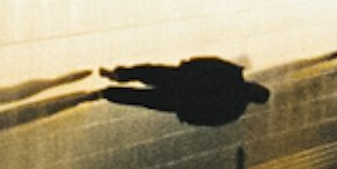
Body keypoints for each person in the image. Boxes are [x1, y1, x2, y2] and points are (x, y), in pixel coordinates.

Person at [94, 56, 270, 128]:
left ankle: (118, 75)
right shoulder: (234, 110)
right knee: (141, 98)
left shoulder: (233, 74)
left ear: (255, 85)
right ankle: (106, 93)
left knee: (148, 73)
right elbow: (210, 120)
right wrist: (187, 114)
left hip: (182, 79)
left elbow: (210, 63)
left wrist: (188, 65)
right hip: (180, 101)